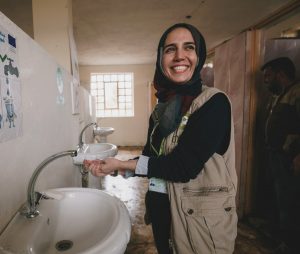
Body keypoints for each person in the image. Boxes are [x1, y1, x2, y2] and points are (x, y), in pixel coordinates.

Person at [84, 23, 238, 254]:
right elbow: (152, 158)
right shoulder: (162, 109)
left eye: (189, 47)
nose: (179, 56)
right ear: (160, 57)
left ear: (199, 55)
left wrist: (123, 163)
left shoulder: (213, 103)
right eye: (170, 49)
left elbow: (182, 167)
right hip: (163, 212)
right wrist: (116, 169)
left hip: (199, 223)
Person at [261, 57, 300, 253]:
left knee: (289, 201)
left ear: (281, 74)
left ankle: (291, 244)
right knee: (277, 198)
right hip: (275, 156)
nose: (266, 82)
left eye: (268, 76)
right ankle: (279, 237)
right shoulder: (279, 96)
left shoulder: (297, 93)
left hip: (289, 159)